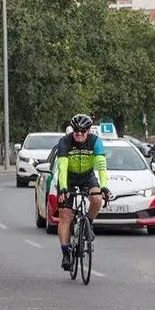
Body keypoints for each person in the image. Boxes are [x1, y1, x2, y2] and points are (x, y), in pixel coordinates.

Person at [55, 113, 110, 271]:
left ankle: (88, 225)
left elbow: (101, 165)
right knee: (65, 216)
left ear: (88, 131)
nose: (79, 134)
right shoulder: (65, 142)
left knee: (97, 199)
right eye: (76, 131)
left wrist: (104, 186)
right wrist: (64, 187)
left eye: (83, 131)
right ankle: (65, 254)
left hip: (87, 176)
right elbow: (62, 166)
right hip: (69, 178)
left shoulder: (95, 142)